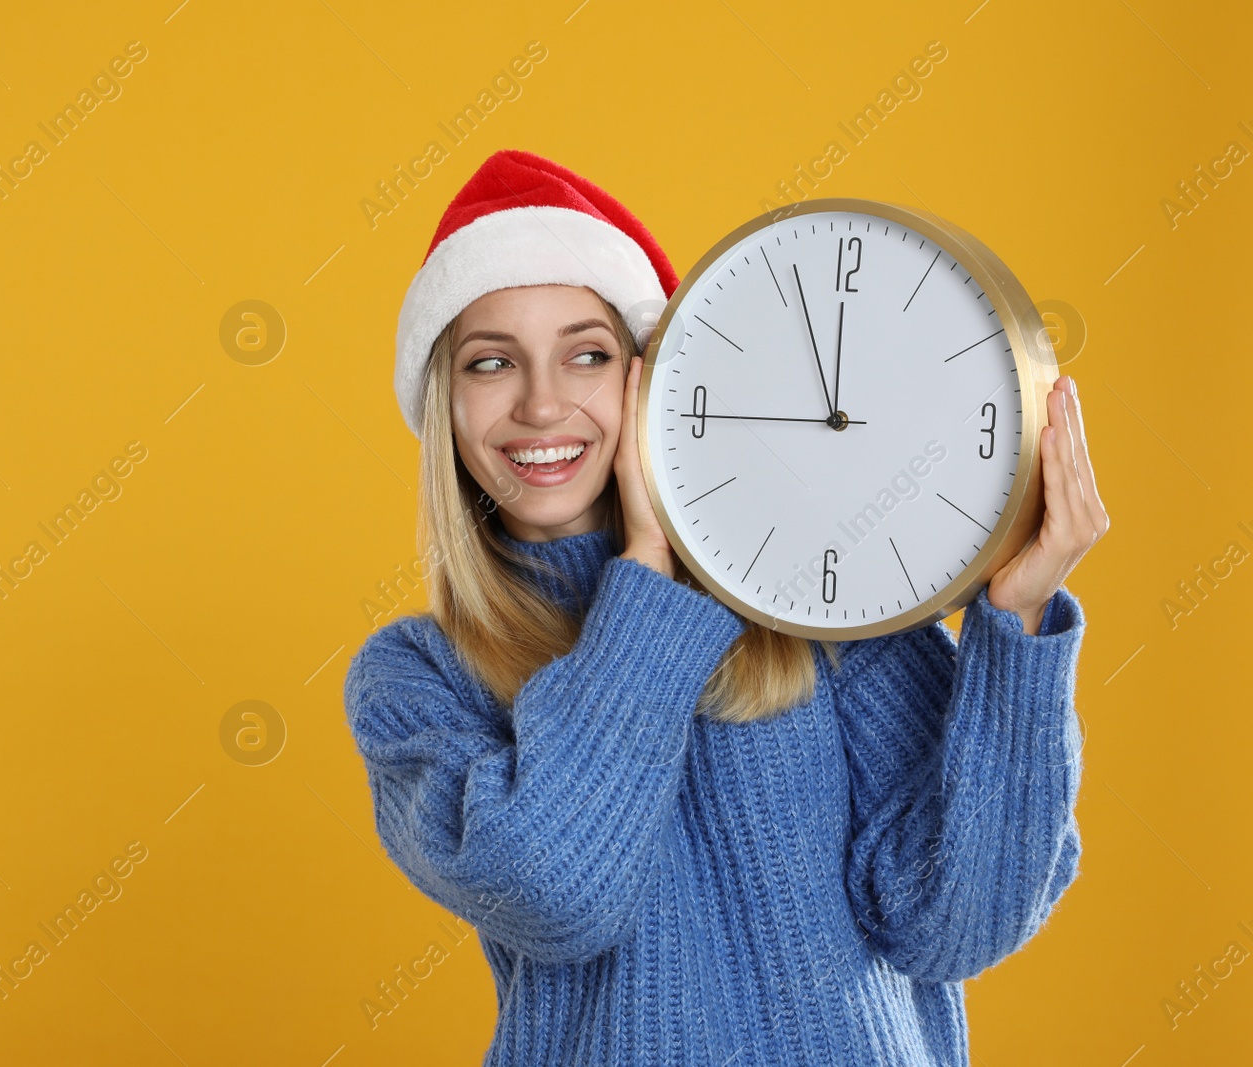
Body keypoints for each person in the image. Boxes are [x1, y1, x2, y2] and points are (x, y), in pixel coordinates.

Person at [342, 148, 1108, 1065]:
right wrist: (650, 564)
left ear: (654, 379)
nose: (542, 403)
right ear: (446, 403)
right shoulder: (414, 676)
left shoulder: (812, 598)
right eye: (490, 362)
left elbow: (955, 927)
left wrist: (1017, 624)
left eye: (587, 353)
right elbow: (557, 890)